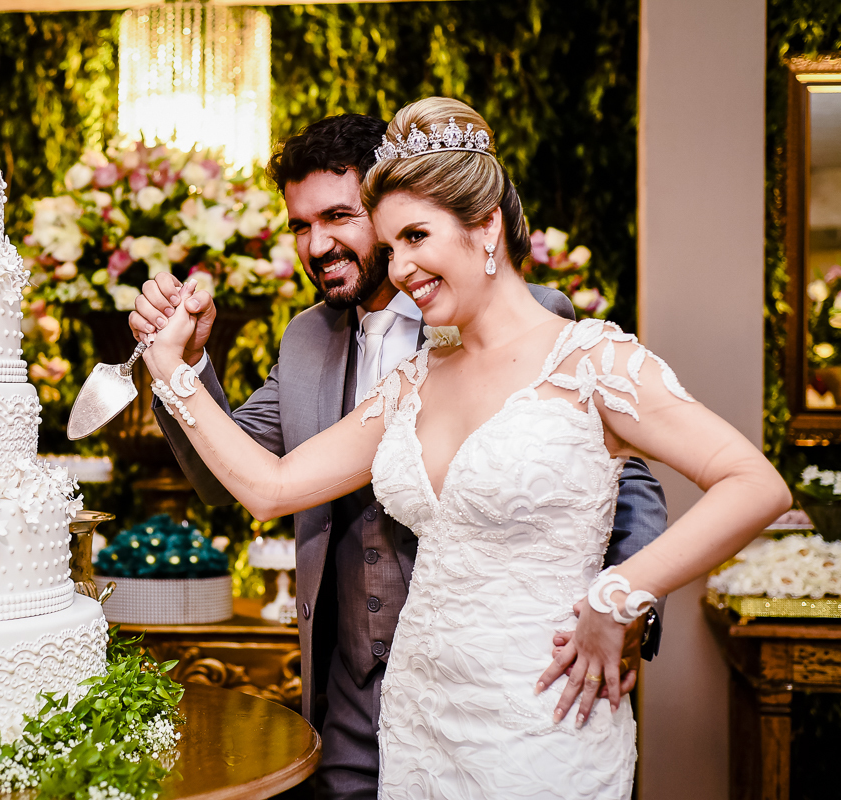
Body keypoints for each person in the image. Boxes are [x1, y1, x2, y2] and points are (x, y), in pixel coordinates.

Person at [129, 111, 672, 798]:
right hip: (349, 697)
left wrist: (627, 606)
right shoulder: (305, 340)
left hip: (504, 688)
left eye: (338, 217)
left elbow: (622, 481)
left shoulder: (517, 317)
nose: (317, 244)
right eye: (300, 225)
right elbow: (233, 477)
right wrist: (184, 365)